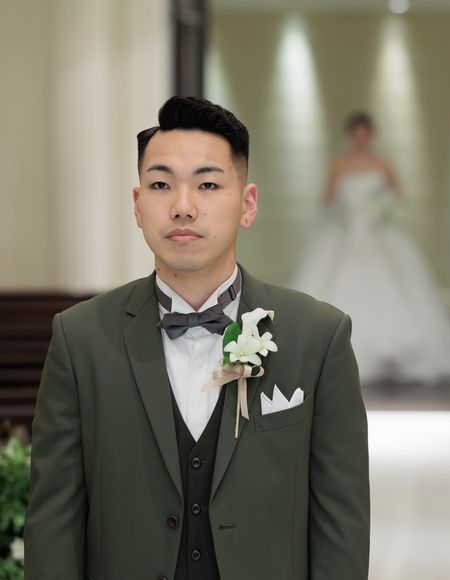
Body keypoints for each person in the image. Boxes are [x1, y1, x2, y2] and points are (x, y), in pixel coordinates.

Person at [24, 97, 370, 579]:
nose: (183, 207)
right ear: (138, 205)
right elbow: (53, 526)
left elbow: (341, 526)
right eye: (161, 185)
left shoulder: (319, 337)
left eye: (207, 184)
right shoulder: (79, 339)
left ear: (247, 204)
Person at [292, 111, 450, 385]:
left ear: (371, 136)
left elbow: (397, 198)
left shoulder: (382, 164)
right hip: (347, 236)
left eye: (365, 135)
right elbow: (327, 201)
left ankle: (395, 351)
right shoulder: (340, 166)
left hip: (378, 235)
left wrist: (383, 211)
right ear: (349, 136)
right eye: (356, 135)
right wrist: (341, 213)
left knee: (392, 284)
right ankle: (339, 354)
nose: (360, 140)